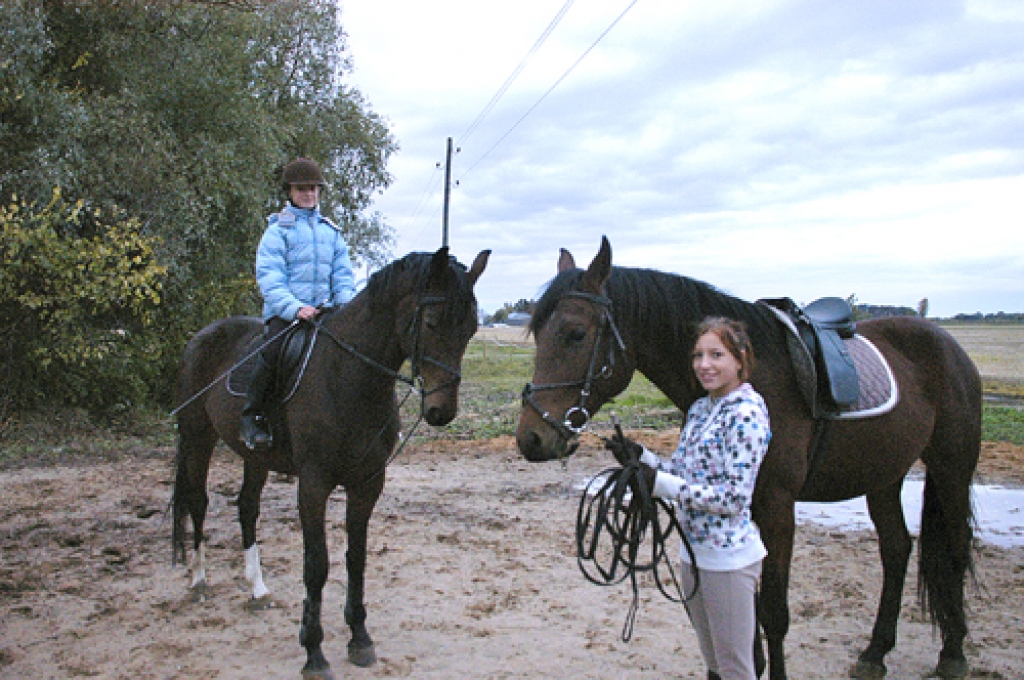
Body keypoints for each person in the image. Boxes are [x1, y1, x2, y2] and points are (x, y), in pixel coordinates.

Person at [605, 317, 771, 680]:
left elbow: (733, 498)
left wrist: (658, 484)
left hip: (727, 560)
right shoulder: (701, 410)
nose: (704, 365)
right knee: (714, 662)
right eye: (698, 355)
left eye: (716, 355)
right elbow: (681, 470)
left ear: (740, 359)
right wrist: (641, 457)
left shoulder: (746, 414)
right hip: (694, 554)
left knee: (736, 669)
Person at [239, 158, 357, 451]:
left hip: (327, 315)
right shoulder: (277, 232)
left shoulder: (332, 233)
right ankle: (253, 417)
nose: (309, 194)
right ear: (290, 192)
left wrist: (345, 306)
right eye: (302, 189)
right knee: (272, 352)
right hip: (288, 315)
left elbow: (343, 276)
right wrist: (295, 308)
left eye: (314, 189)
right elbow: (270, 279)